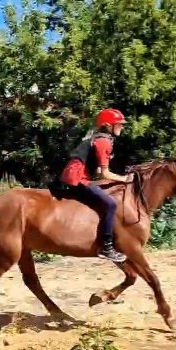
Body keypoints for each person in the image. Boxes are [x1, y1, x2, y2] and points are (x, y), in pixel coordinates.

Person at [56, 108, 130, 263]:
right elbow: (105, 173)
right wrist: (125, 179)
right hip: (78, 178)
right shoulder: (104, 142)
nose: (122, 127)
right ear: (108, 126)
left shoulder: (98, 138)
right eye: (119, 124)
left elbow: (97, 170)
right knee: (111, 204)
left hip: (77, 175)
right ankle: (106, 247)